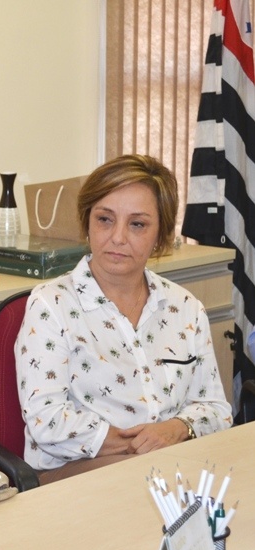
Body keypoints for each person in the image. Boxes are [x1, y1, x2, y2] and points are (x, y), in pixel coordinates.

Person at [15, 154, 233, 485]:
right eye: (105, 219)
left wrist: (175, 430)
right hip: (75, 473)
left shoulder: (185, 307)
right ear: (87, 222)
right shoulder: (51, 304)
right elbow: (47, 420)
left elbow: (216, 410)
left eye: (137, 224)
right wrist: (138, 446)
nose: (118, 237)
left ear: (160, 236)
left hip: (173, 465)